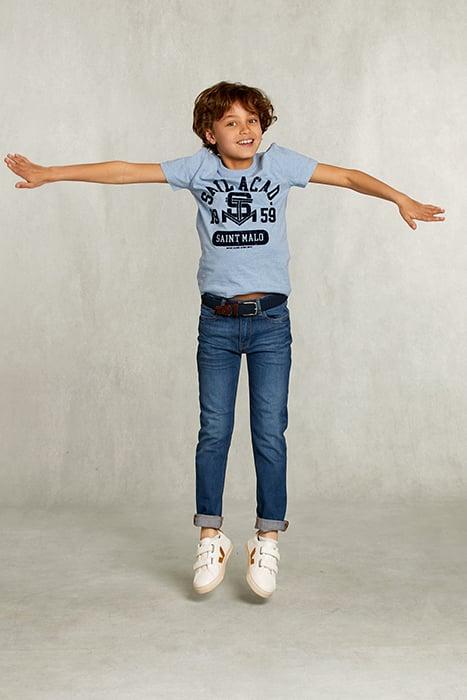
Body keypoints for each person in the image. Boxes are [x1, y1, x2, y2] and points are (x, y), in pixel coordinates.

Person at [4, 80, 445, 599]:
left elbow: (346, 176)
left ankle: (267, 539)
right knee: (214, 430)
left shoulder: (279, 165)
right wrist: (51, 173)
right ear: (210, 134)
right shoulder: (199, 169)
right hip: (216, 323)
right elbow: (126, 171)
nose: (245, 129)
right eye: (231, 122)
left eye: (252, 120)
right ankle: (210, 537)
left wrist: (399, 198)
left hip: (270, 323)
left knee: (269, 432)